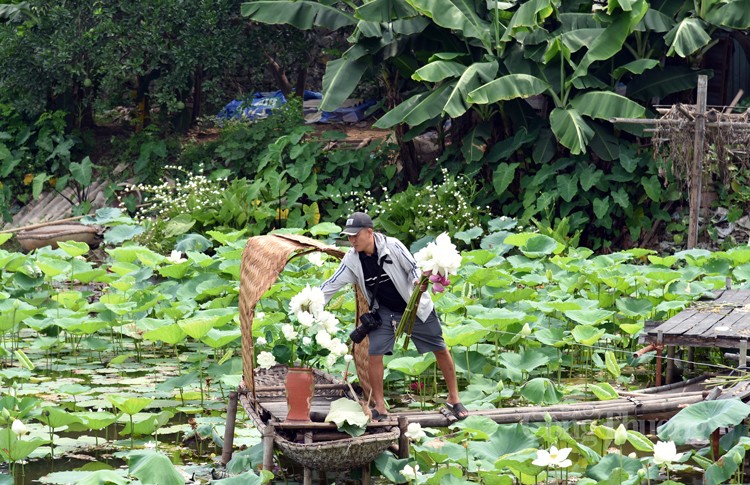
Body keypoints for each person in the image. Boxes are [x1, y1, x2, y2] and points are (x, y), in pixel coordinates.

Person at [320, 212, 468, 421]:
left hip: (414, 306)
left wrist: (419, 282)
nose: (351, 240)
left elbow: (413, 269)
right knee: (375, 353)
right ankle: (380, 407)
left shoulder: (393, 246)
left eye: (355, 235)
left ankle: (454, 398)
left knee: (440, 348)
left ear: (369, 232)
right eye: (349, 236)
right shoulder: (352, 259)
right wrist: (312, 303)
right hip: (384, 311)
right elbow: (331, 284)